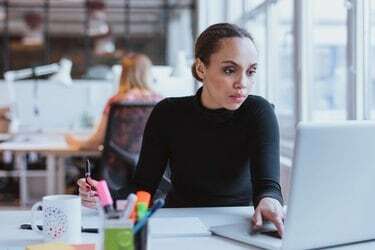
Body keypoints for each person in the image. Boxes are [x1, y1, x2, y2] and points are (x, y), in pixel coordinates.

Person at [77, 23, 285, 236]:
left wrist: (270, 202)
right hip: (180, 221)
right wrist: (103, 195)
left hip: (239, 222)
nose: (242, 82)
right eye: (230, 70)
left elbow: (268, 187)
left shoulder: (258, 111)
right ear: (201, 68)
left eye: (250, 71)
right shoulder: (168, 113)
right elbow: (143, 187)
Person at [65, 53, 162, 150]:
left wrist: (73, 141)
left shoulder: (117, 101)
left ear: (123, 74)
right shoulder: (160, 102)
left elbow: (95, 142)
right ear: (148, 73)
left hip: (118, 164)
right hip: (152, 164)